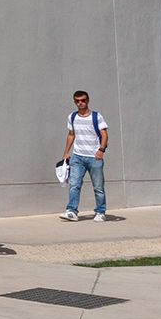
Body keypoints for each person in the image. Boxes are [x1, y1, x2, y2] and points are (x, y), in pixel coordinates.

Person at [59, 91, 109, 222]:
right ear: (74, 102)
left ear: (88, 100)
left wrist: (101, 150)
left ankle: (100, 211)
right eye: (77, 101)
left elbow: (104, 134)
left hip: (94, 157)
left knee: (98, 187)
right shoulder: (72, 117)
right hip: (77, 157)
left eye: (83, 100)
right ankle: (71, 211)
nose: (80, 103)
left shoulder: (96, 117)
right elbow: (71, 134)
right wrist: (66, 152)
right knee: (74, 184)